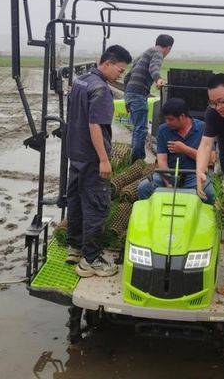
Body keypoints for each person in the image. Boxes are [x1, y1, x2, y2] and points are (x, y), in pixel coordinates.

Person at [65, 44, 132, 277]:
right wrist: (104, 159)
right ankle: (91, 260)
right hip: (93, 158)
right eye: (120, 71)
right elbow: (95, 126)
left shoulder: (81, 81)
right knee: (96, 206)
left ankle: (74, 247)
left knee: (75, 199)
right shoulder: (101, 90)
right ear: (108, 63)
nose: (119, 75)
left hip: (76, 153)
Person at [136, 97, 216, 202]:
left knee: (210, 193)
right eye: (166, 119)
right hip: (170, 174)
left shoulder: (202, 128)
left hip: (194, 175)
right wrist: (168, 182)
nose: (167, 122)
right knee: (144, 188)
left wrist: (185, 149)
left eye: (171, 119)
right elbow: (162, 161)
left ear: (182, 116)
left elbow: (211, 159)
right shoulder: (163, 130)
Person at [123, 34, 174, 162]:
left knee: (136, 128)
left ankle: (134, 159)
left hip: (130, 93)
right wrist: (159, 79)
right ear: (168, 48)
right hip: (139, 94)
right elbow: (154, 68)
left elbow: (127, 76)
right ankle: (137, 161)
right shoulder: (158, 53)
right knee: (141, 129)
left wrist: (126, 97)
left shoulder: (145, 52)